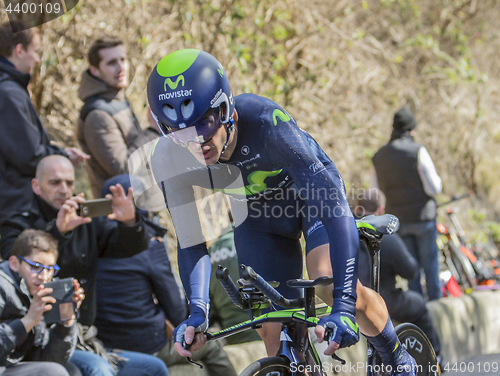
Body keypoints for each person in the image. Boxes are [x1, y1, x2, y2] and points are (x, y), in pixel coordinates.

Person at [144, 49, 417, 375]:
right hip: (258, 217)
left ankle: (399, 359)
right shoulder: (168, 156)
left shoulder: (266, 123)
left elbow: (335, 212)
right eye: (179, 133)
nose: (196, 143)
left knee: (326, 283)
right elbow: (190, 243)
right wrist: (197, 312)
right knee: (269, 324)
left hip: (311, 200)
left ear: (226, 108)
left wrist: (343, 306)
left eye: (204, 124)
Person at [0, 156, 168, 376]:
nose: (64, 189)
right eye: (55, 182)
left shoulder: (84, 220)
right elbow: (14, 259)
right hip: (36, 337)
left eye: (69, 183)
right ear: (36, 186)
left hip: (82, 331)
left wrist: (129, 222)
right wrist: (57, 230)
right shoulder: (18, 221)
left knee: (154, 368)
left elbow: (125, 249)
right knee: (98, 370)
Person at [94, 174, 238, 376]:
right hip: (146, 347)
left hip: (104, 344)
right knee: (212, 347)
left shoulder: (91, 241)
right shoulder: (147, 244)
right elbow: (175, 306)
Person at [0, 21, 89, 224]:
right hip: (19, 207)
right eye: (36, 51)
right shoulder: (8, 93)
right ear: (19, 50)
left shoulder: (10, 89)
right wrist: (61, 155)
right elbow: (28, 155)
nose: (38, 60)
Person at [354, 189, 442, 359]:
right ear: (381, 210)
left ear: (358, 207)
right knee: (419, 304)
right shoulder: (384, 235)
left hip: (350, 301)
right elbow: (410, 271)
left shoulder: (344, 232)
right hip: (384, 301)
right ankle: (435, 357)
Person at [372, 106, 443, 300]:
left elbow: (376, 192)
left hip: (399, 221)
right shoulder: (417, 150)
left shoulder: (379, 157)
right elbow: (434, 187)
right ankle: (437, 310)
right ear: (412, 129)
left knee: (412, 272)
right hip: (423, 218)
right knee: (431, 268)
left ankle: (418, 314)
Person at [77, 37, 160, 198]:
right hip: (117, 214)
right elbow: (124, 170)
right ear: (95, 70)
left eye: (123, 60)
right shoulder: (97, 115)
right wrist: (152, 130)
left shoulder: (118, 99)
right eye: (111, 63)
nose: (121, 67)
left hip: (140, 205)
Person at [0, 229, 84, 376]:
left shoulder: (44, 291)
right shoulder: (2, 286)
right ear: (14, 263)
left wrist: (66, 321)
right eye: (35, 266)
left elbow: (52, 361)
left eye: (50, 269)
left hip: (16, 366)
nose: (43, 276)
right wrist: (27, 321)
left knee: (73, 371)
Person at [208, 230, 262, 345]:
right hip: (264, 331)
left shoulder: (211, 251)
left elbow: (209, 307)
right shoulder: (255, 239)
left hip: (233, 334)